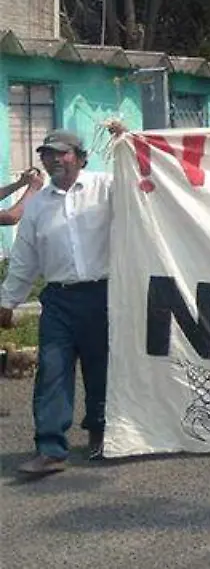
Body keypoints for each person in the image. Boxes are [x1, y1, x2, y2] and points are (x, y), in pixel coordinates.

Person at [0, 129, 116, 474]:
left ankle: (101, 435)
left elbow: (146, 187)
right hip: (59, 301)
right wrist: (8, 301)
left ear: (80, 157)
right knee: (52, 369)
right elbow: (25, 258)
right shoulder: (37, 205)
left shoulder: (106, 188)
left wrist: (129, 143)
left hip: (103, 293)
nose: (54, 160)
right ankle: (50, 449)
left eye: (61, 153)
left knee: (102, 369)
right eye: (47, 154)